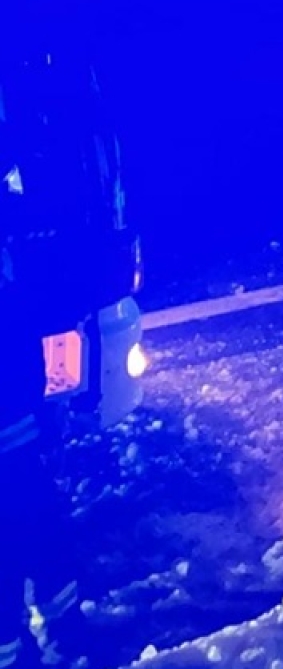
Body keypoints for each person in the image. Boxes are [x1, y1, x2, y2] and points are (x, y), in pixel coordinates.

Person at [0, 136, 86, 669]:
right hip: (16, 424)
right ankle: (41, 642)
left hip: (19, 422)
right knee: (33, 533)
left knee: (39, 530)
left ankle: (48, 635)